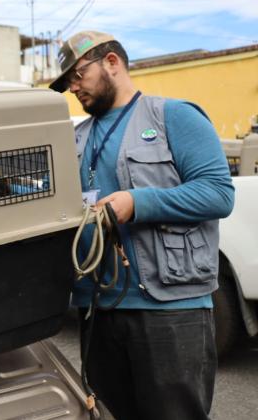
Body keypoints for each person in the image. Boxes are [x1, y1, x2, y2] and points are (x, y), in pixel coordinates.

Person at [50, 31, 234, 420]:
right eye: (68, 83)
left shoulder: (174, 117)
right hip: (98, 309)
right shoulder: (74, 138)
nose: (73, 87)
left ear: (112, 62)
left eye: (78, 75)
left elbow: (218, 193)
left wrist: (138, 202)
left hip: (170, 310)